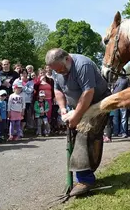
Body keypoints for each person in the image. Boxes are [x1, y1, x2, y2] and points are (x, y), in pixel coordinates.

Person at [46, 48, 111, 196]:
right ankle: (85, 172)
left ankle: (85, 180)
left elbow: (88, 93)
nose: (60, 72)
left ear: (67, 59)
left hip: (98, 103)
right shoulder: (57, 68)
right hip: (78, 106)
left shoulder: (83, 65)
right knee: (74, 137)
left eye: (61, 69)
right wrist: (63, 109)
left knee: (84, 133)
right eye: (56, 70)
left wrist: (76, 117)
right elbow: (58, 90)